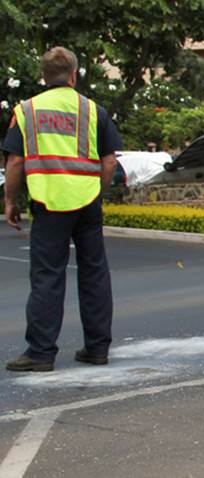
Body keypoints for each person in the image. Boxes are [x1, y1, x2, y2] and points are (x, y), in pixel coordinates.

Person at [3, 47, 121, 372]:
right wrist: (97, 190)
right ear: (74, 75)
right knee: (94, 271)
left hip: (48, 202)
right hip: (87, 201)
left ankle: (41, 353)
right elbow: (109, 160)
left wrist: (10, 200)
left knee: (47, 276)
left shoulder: (27, 110)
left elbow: (15, 161)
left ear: (44, 76)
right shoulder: (92, 110)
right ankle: (97, 348)